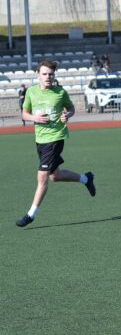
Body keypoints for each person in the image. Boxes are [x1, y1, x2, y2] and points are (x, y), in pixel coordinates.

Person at [15, 60, 96, 228]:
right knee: (55, 176)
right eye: (44, 74)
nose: (48, 77)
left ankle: (31, 214)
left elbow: (71, 108)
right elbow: (24, 113)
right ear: (38, 74)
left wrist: (68, 115)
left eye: (51, 74)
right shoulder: (31, 92)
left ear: (54, 76)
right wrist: (34, 118)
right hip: (40, 140)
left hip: (55, 138)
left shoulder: (60, 92)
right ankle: (86, 178)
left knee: (42, 177)